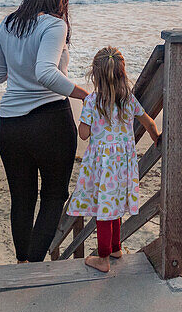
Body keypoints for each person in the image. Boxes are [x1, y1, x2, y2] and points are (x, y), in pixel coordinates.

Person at [0, 0, 89, 263]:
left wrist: (19, 68)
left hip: (10, 125)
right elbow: (46, 73)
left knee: (21, 199)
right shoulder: (54, 25)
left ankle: (22, 263)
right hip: (50, 122)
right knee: (54, 196)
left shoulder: (7, 24)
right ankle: (33, 264)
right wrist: (85, 95)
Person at [66, 46, 160, 273]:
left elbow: (84, 134)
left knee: (103, 209)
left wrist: (83, 117)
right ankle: (116, 247)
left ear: (96, 75)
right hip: (124, 163)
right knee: (114, 203)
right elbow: (149, 123)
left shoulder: (92, 102)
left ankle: (103, 258)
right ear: (122, 73)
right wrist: (158, 139)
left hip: (102, 164)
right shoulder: (129, 100)